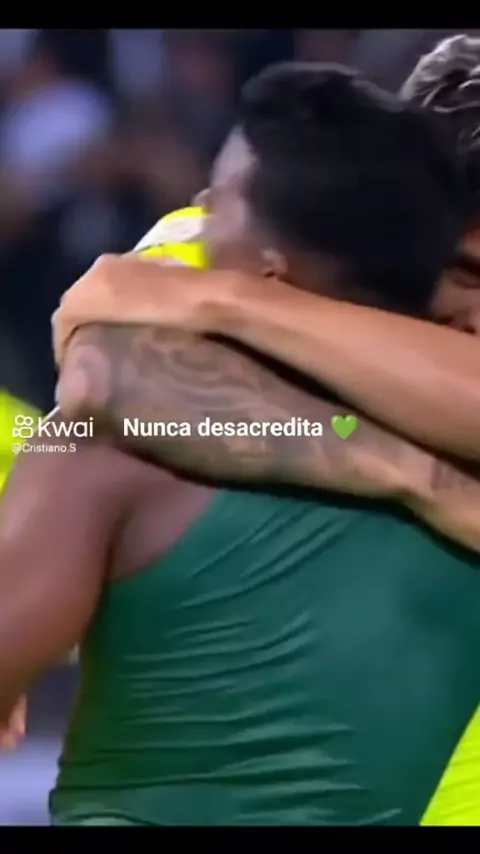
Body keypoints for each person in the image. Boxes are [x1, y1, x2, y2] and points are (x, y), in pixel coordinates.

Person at [2, 64, 480, 826]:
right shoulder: (215, 237)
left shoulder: (209, 293)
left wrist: (228, 299)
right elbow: (104, 377)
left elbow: (109, 387)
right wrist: (412, 470)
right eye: (468, 273)